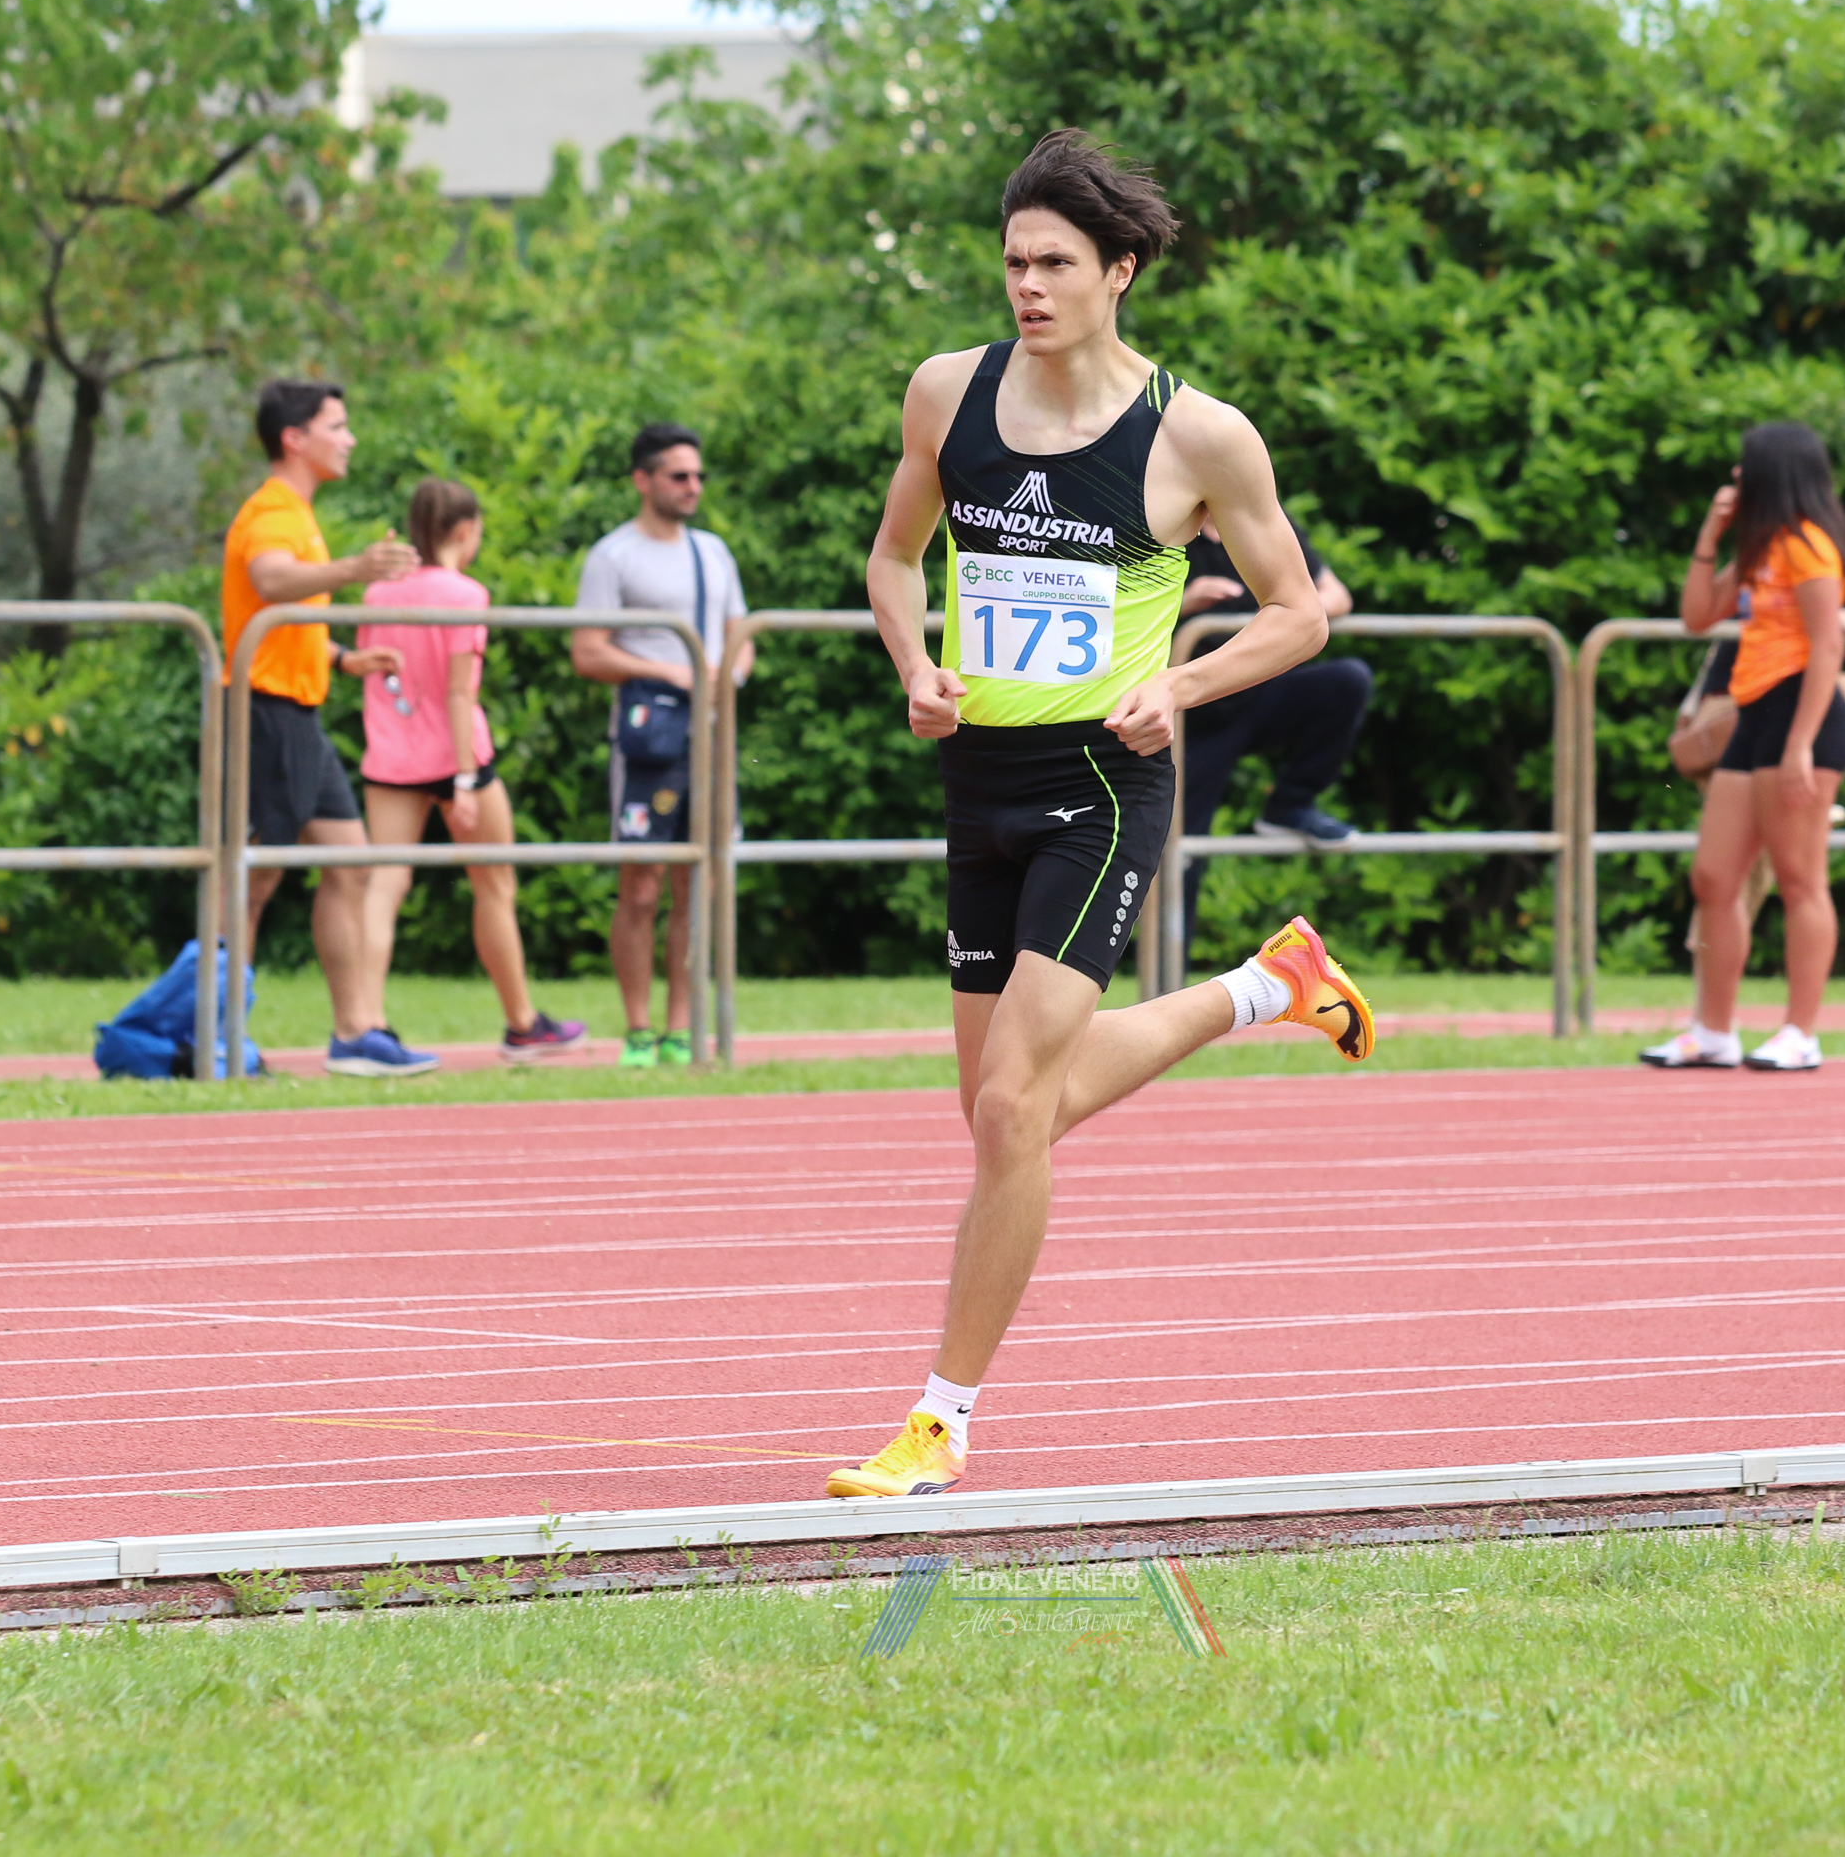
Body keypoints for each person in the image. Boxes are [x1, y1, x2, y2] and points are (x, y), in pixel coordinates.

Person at [837, 128, 1375, 1502]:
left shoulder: (1197, 434)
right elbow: (894, 557)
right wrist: (914, 665)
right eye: (1014, 261)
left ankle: (939, 1421)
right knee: (996, 1110)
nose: (1028, 285)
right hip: (979, 783)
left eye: (1056, 264)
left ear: (1119, 270)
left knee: (1013, 1108)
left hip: (1100, 784)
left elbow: (1300, 615)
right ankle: (1269, 987)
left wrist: (1180, 686)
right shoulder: (947, 393)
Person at [223, 380, 437, 1078]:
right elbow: (271, 580)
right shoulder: (272, 512)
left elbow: (287, 617)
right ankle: (217, 1033)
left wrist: (343, 658)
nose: (349, 439)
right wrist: (355, 568)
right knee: (252, 879)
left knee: (350, 862)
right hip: (264, 710)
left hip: (299, 714)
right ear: (295, 438)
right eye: (337, 426)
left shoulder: (299, 512)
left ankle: (354, 1034)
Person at [1642, 421, 1845, 1073]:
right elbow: (1697, 616)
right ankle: (1713, 1031)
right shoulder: (1761, 545)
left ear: (1772, 472)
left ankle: (1801, 1032)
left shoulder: (1808, 544)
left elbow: (1828, 646)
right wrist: (1710, 536)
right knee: (1713, 876)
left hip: (1804, 719)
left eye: (1744, 467)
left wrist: (1800, 746)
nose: (1736, 477)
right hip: (1754, 715)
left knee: (1799, 878)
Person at [358, 478, 587, 1064]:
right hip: (459, 757)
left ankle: (365, 1023)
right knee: (494, 888)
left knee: (384, 884)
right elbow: (460, 693)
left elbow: (377, 671)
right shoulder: (466, 594)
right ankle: (521, 1024)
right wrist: (463, 779)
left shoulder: (378, 591)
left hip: (393, 755)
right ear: (465, 530)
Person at [571, 421, 751, 1069]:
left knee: (698, 886)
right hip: (649, 739)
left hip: (711, 737)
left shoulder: (713, 552)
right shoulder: (612, 556)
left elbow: (741, 637)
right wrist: (674, 672)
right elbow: (587, 651)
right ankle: (638, 1029)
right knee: (641, 886)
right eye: (679, 475)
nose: (692, 486)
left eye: (698, 475)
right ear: (642, 480)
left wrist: (728, 674)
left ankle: (681, 1027)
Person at [1666, 573, 1845, 1003]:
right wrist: (1841, 619)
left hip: (1784, 720)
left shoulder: (1818, 570)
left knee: (1757, 868)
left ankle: (1727, 1005)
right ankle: (1711, 998)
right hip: (1736, 716)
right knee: (1730, 870)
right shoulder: (1770, 571)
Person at [1173, 515, 1366, 968]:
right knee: (1179, 848)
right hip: (1192, 714)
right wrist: (1187, 602)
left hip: (1257, 693)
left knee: (1347, 682)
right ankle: (1167, 976)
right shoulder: (1170, 526)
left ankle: (1290, 806)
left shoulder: (1264, 523)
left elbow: (1336, 596)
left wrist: (1281, 612)